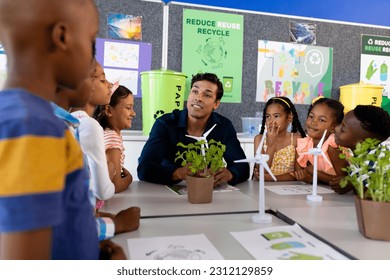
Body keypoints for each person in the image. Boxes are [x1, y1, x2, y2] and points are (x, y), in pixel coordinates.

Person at [0, 0, 101, 259]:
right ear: (62, 37)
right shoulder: (34, 127)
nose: (92, 58)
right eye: (91, 41)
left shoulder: (24, 116)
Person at [137, 72, 250, 186]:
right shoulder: (165, 124)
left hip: (209, 192)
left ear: (216, 104)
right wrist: (178, 173)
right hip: (168, 193)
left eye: (207, 95)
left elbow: (242, 166)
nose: (198, 98)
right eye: (195, 91)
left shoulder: (223, 126)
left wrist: (230, 174)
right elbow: (144, 169)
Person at [69, 62, 140, 237]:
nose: (109, 84)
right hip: (81, 221)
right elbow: (105, 191)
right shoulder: (89, 126)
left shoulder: (67, 120)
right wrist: (119, 223)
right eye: (102, 80)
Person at [331, 105, 390, 193]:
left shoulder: (377, 158)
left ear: (362, 141)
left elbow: (380, 191)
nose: (336, 128)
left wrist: (353, 184)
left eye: (343, 129)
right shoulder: (360, 157)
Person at [292, 97, 348, 185]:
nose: (313, 122)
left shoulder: (332, 147)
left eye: (321, 120)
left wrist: (314, 173)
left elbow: (343, 181)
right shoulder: (304, 144)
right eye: (311, 116)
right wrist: (309, 176)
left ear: (333, 128)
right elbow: (300, 174)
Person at [253, 96, 306, 181]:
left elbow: (297, 175)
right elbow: (261, 172)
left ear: (289, 118)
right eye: (268, 116)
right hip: (263, 190)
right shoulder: (259, 139)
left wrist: (272, 178)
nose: (271, 121)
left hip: (288, 190)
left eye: (276, 116)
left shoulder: (296, 139)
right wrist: (271, 145)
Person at [94, 85, 135, 193]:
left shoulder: (106, 133)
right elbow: (115, 186)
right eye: (128, 107)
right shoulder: (112, 138)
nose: (133, 113)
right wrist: (129, 178)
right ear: (109, 110)